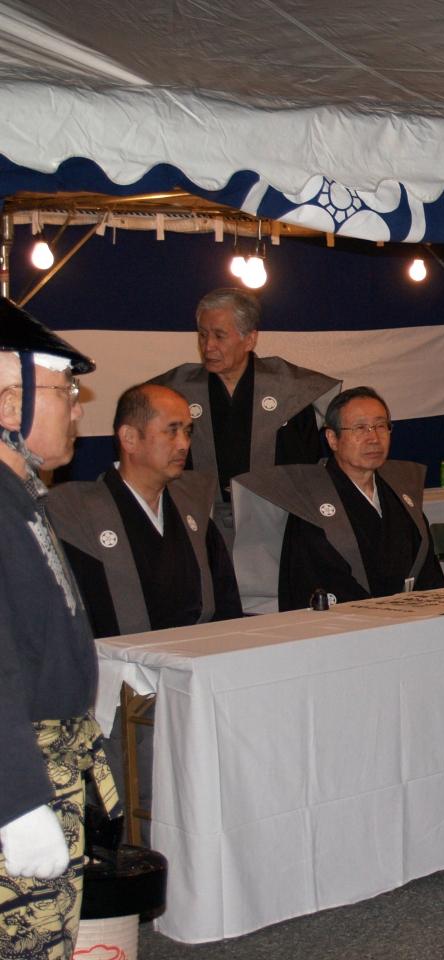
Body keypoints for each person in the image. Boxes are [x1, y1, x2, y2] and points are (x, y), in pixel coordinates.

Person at [1, 300, 119, 958]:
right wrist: (16, 800)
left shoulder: (20, 496)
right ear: (7, 402)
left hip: (48, 761)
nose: (77, 410)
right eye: (64, 392)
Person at [46, 384, 242, 638]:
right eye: (172, 431)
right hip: (116, 658)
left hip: (199, 652)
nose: (184, 444)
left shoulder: (193, 507)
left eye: (187, 432)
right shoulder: (78, 515)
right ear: (129, 438)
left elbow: (226, 605)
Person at [150, 288, 341, 546]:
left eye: (219, 336)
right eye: (203, 335)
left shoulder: (291, 391)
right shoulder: (173, 393)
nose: (208, 346)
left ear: (250, 339)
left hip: (277, 527)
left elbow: (305, 470)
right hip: (198, 525)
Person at [232, 387, 444, 612]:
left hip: (411, 620)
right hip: (350, 624)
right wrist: (385, 614)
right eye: (360, 428)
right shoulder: (311, 504)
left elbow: (427, 572)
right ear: (332, 438)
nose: (373, 438)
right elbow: (317, 582)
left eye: (381, 426)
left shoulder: (400, 493)